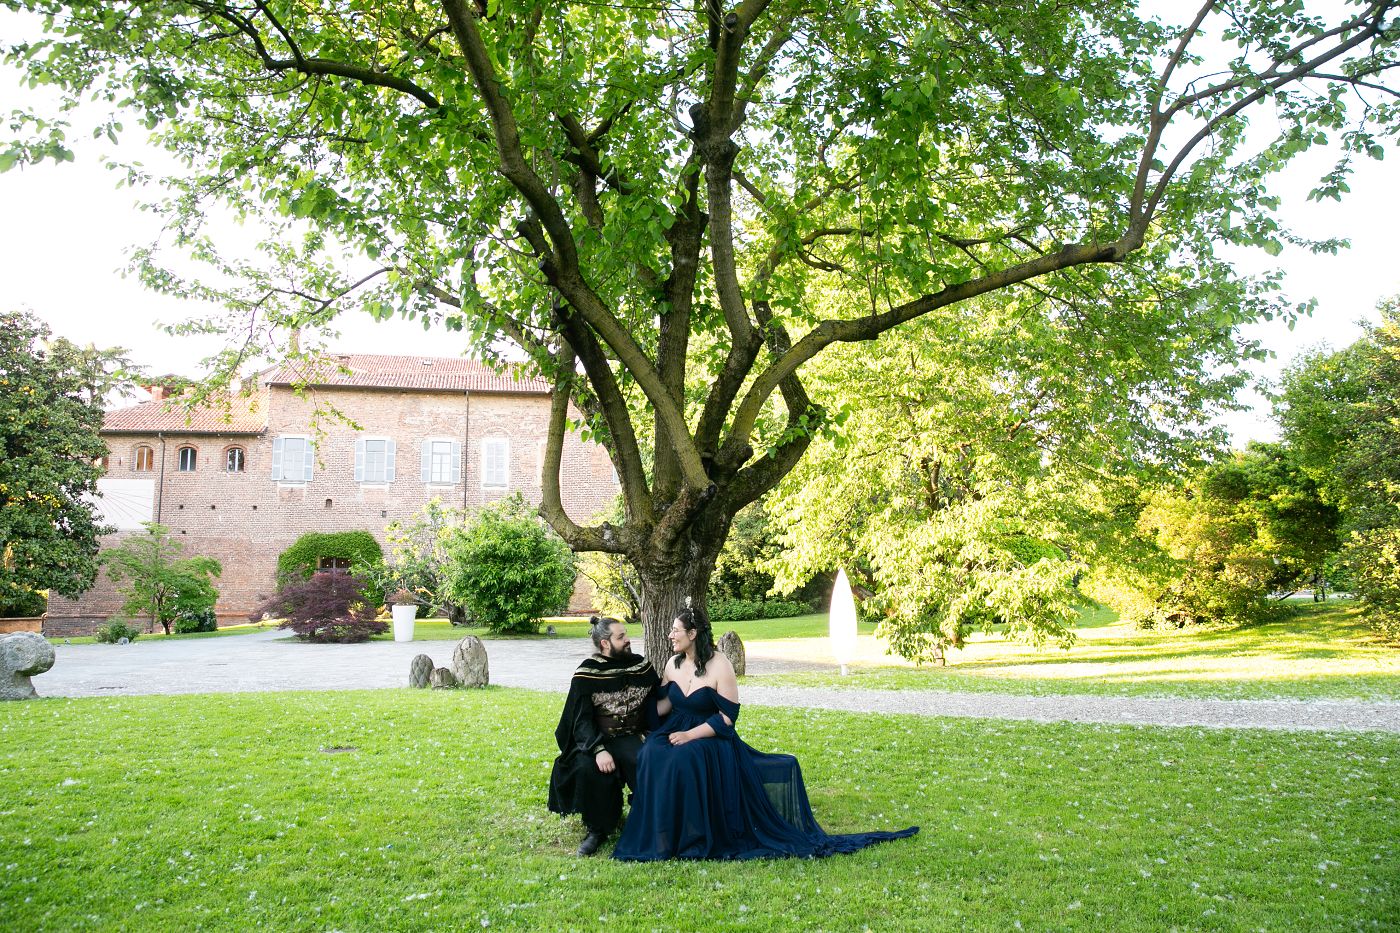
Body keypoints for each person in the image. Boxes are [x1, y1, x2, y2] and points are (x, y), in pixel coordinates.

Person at [612, 606, 919, 861]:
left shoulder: (720, 665)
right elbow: (665, 704)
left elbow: (727, 719)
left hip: (711, 736)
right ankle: (663, 834)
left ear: (692, 634)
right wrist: (632, 707)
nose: (670, 635)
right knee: (652, 751)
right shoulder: (672, 663)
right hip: (677, 728)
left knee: (685, 757)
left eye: (675, 630)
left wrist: (691, 735)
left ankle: (694, 837)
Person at [547, 615, 660, 856]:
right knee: (589, 768)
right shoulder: (588, 673)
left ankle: (645, 819)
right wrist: (598, 750)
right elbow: (581, 720)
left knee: (650, 760)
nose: (627, 640)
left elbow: (657, 700)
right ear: (605, 643)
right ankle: (597, 829)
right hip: (599, 739)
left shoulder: (640, 666)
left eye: (625, 635)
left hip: (633, 736)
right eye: (621, 637)